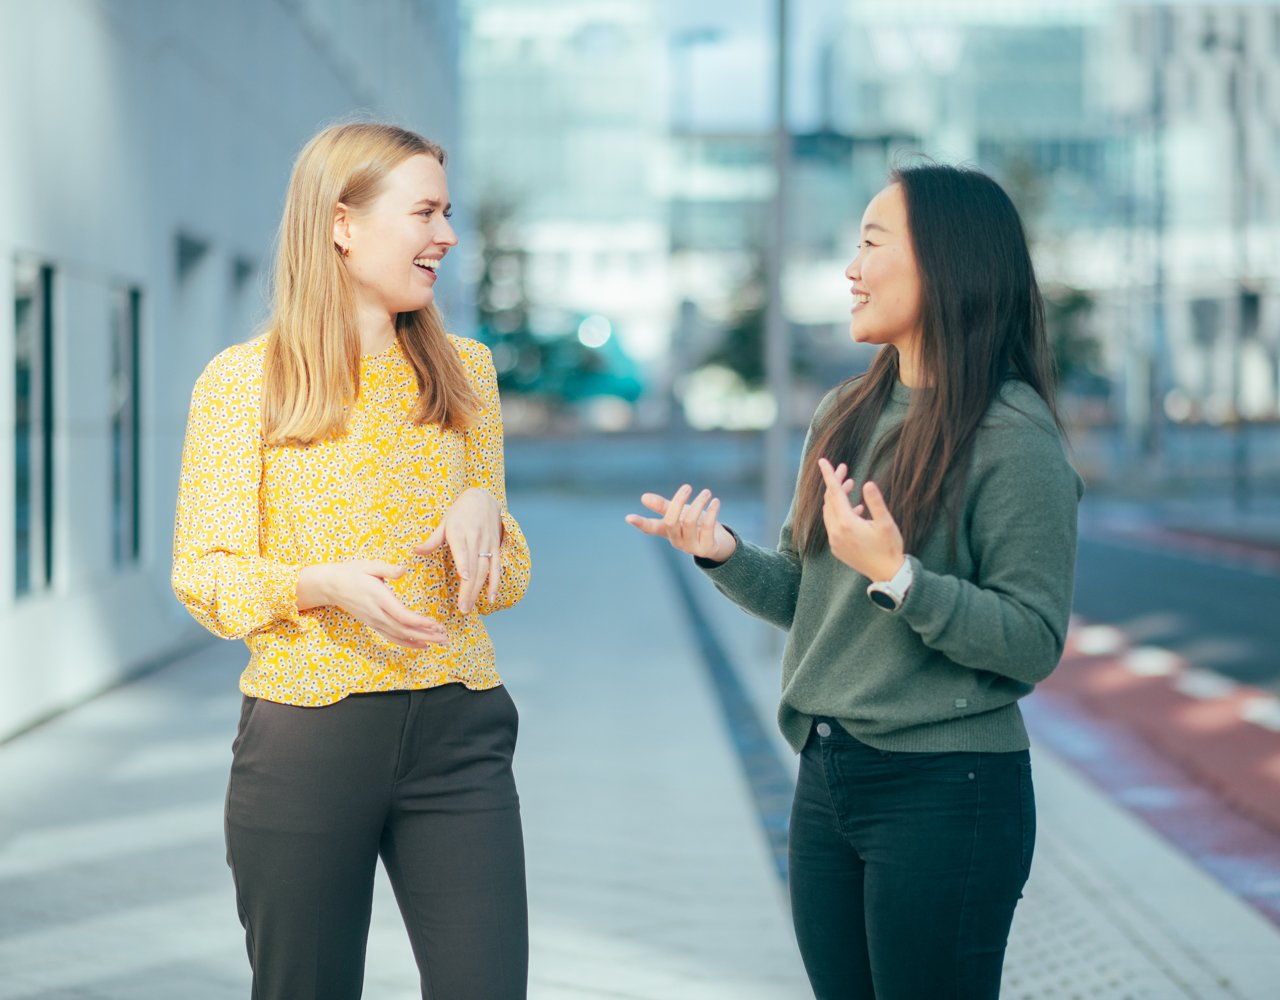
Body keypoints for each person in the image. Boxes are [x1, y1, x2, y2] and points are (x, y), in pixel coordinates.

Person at [627, 163, 1083, 999]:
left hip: (949, 790)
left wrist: (902, 578)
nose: (851, 269)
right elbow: (810, 597)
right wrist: (721, 553)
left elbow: (1031, 642)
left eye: (871, 243)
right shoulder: (845, 409)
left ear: (944, 263)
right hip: (828, 775)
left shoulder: (1013, 436)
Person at [172, 122, 532, 1000]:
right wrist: (317, 585)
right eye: (425, 212)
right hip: (308, 742)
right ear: (342, 222)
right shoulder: (242, 382)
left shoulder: (466, 374)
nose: (447, 235)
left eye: (448, 213)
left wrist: (487, 512)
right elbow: (204, 574)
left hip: (460, 728)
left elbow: (505, 581)